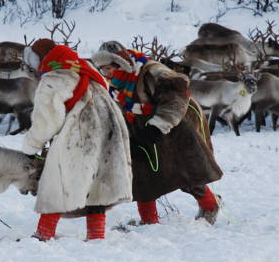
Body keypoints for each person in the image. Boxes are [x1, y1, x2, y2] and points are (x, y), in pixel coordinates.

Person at [91, 41, 223, 225]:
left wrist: (156, 127)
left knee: (185, 171)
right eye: (102, 69)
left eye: (108, 68)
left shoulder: (152, 72)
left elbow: (177, 95)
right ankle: (149, 221)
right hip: (138, 127)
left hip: (170, 125)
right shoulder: (117, 81)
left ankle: (210, 205)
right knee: (141, 173)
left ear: (119, 63)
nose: (106, 74)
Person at [22, 38, 133, 241]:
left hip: (78, 136)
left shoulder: (55, 78)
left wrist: (32, 145)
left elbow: (46, 120)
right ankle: (96, 236)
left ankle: (44, 234)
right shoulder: (87, 69)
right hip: (109, 135)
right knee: (98, 185)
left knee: (57, 182)